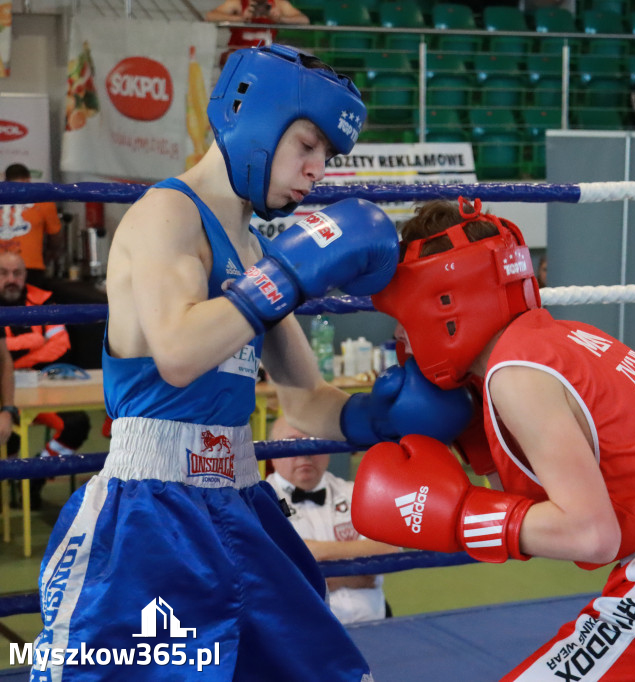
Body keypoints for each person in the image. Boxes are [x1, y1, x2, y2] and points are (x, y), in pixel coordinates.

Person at [30, 45, 473, 682]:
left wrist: (387, 416)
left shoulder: (253, 249)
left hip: (236, 501)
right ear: (256, 117)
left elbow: (306, 399)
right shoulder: (167, 215)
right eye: (308, 144)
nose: (318, 170)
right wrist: (288, 274)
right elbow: (179, 352)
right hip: (150, 515)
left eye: (327, 155)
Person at [353, 197, 635, 681]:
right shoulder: (559, 338)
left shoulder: (515, 375)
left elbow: (592, 535)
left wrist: (460, 517)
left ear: (443, 301)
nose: (398, 331)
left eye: (404, 312)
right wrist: (475, 437)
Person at [266, 417, 398, 624]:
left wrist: (317, 556)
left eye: (314, 442)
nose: (305, 453)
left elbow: (389, 550)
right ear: (272, 454)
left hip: (378, 625)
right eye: (292, 443)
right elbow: (279, 570)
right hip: (307, 636)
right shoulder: (260, 502)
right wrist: (358, 575)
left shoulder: (356, 491)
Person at [0, 252, 92, 510]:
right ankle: (8, 487)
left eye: (17, 273)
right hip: (4, 398)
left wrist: (10, 362)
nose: (11, 279)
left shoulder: (43, 301)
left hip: (40, 393)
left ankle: (36, 476)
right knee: (10, 435)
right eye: (4, 273)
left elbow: (60, 343)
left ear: (25, 275)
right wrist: (34, 342)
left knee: (77, 424)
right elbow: (42, 343)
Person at [0, 163, 63, 287]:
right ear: (28, 179)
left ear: (5, 181)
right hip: (31, 265)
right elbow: (56, 238)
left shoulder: (43, 200)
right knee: (31, 304)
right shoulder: (43, 200)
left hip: (3, 267)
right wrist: (51, 256)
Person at [205, 0, 310, 66]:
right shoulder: (237, 3)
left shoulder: (278, 4)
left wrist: (280, 19)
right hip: (239, 52)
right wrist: (240, 18)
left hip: (266, 55)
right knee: (231, 58)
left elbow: (304, 20)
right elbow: (210, 16)